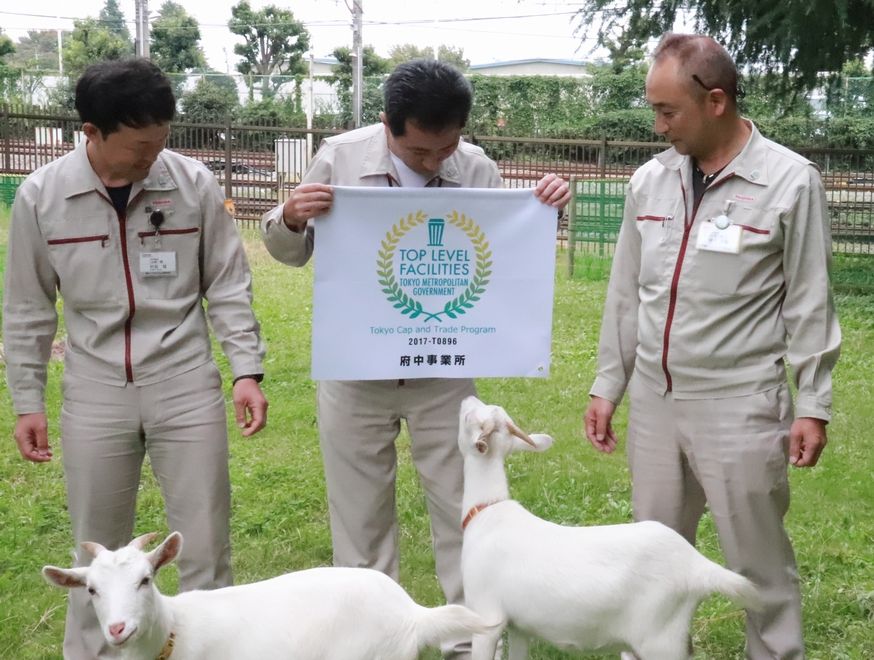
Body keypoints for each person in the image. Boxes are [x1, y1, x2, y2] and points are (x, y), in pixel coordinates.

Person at [261, 59, 569, 659]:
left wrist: (546, 210)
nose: (435, 162)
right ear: (387, 125)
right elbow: (288, 250)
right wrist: (292, 216)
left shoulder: (475, 166)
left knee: (466, 513)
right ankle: (370, 638)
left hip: (445, 374)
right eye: (420, 151)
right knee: (360, 520)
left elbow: (503, 253)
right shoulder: (340, 156)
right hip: (355, 372)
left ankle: (468, 638)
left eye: (445, 147)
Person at [583, 34, 841, 659]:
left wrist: (813, 400)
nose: (657, 125)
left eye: (668, 111)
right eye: (654, 109)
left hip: (740, 404)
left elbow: (809, 299)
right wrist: (607, 384)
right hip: (654, 401)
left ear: (716, 101)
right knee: (651, 558)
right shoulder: (649, 181)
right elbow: (627, 293)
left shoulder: (788, 182)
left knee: (758, 566)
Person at [3, 58, 267, 659]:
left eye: (162, 141)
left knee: (203, 541)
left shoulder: (194, 184)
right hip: (95, 390)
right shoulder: (41, 197)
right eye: (139, 146)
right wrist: (27, 400)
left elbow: (227, 284)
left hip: (185, 381)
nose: (153, 156)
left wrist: (246, 369)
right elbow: (27, 308)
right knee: (95, 554)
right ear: (91, 132)